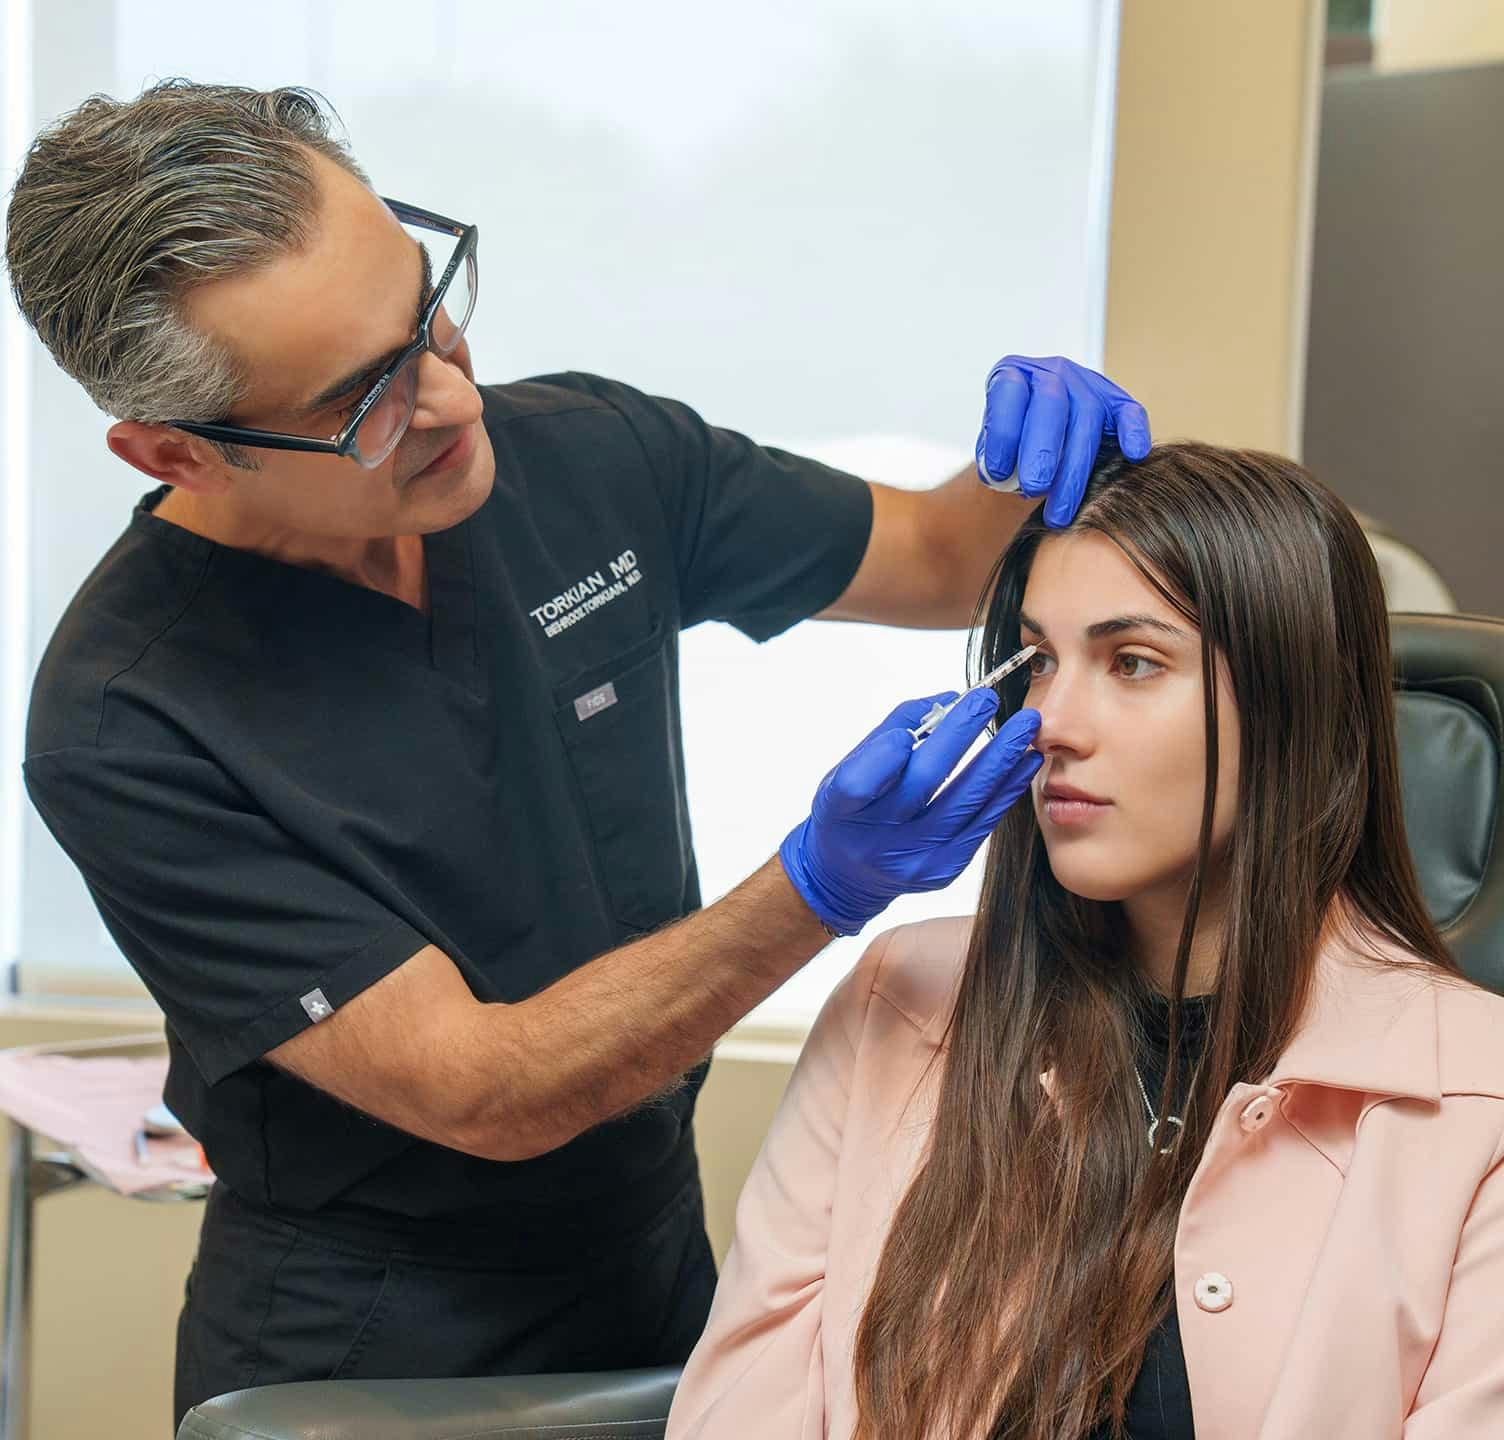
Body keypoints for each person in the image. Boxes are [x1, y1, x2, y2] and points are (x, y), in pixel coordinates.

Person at [2, 80, 1152, 1425]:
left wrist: (1033, 460)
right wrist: (817, 889)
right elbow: (486, 1091)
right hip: (374, 1342)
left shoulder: (591, 458)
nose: (447, 396)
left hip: (656, 1259)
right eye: (363, 397)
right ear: (176, 454)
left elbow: (949, 560)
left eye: (428, 317)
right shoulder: (129, 718)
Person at [665, 442, 1504, 1440]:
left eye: (1132, 663)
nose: (1050, 722)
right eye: (1038, 662)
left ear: (1297, 706)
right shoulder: (895, 1004)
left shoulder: (1478, 1101)